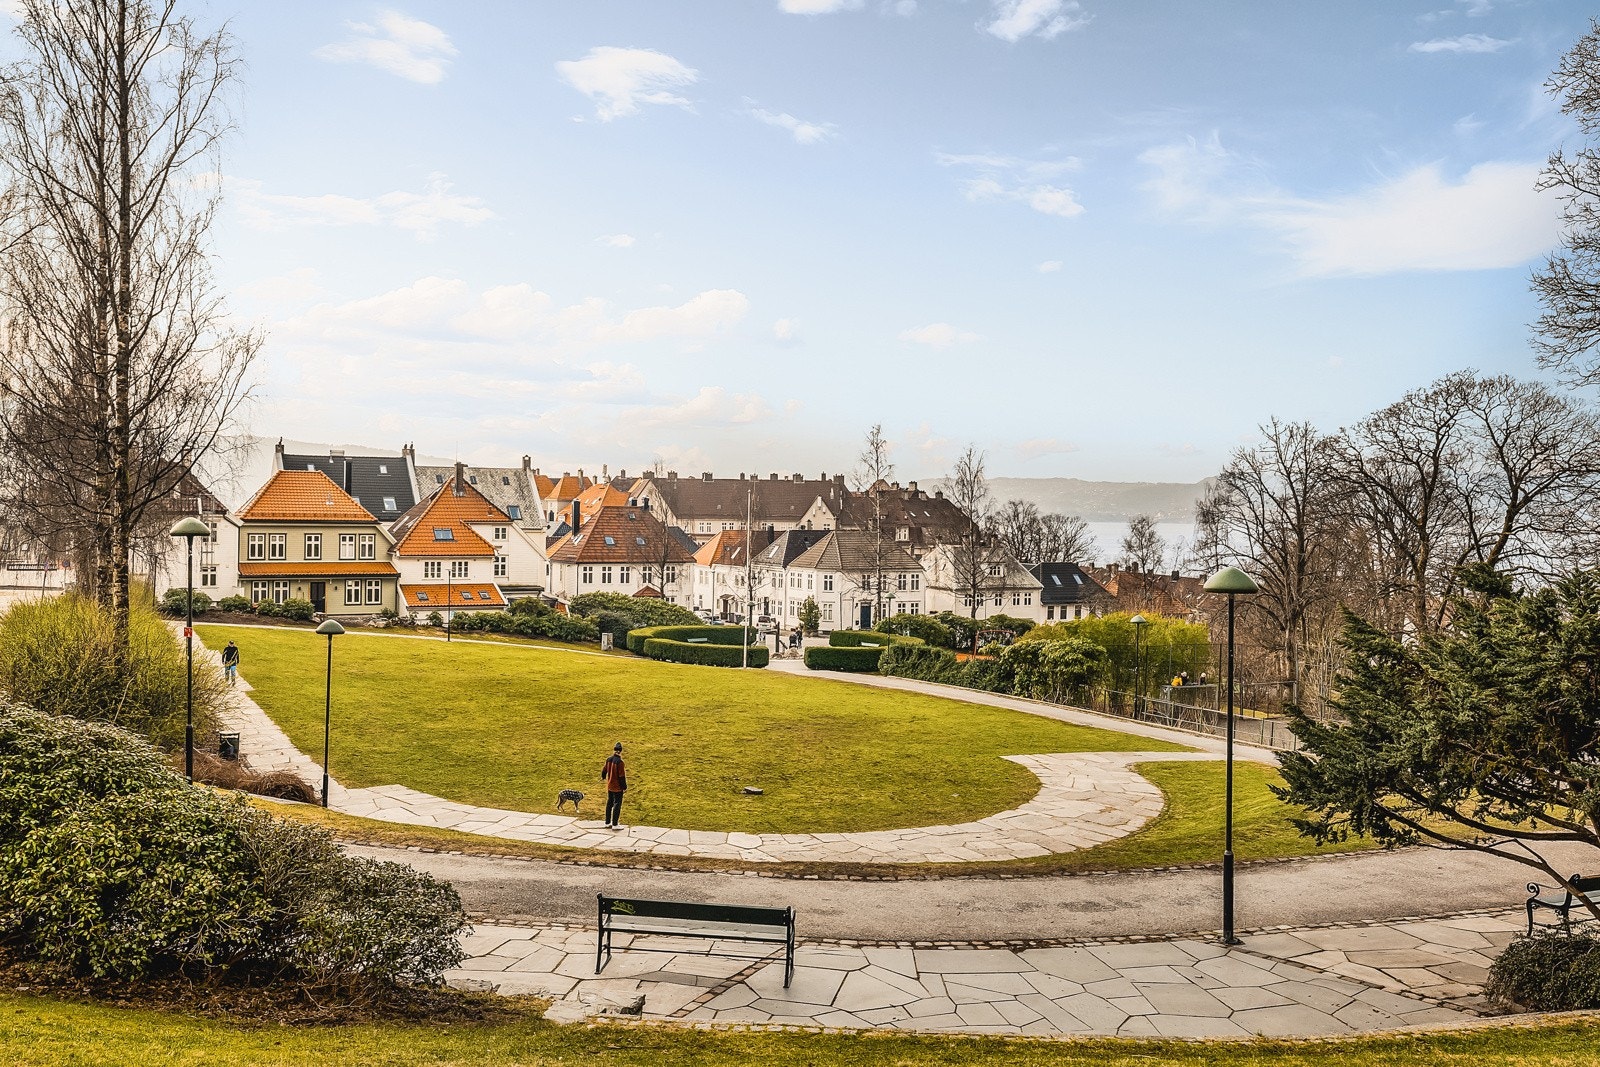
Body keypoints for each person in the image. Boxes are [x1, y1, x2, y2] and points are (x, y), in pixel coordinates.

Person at [600, 742, 627, 829]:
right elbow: (621, 776)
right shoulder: (620, 762)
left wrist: (603, 777)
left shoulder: (609, 759)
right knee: (617, 804)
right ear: (620, 751)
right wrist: (624, 787)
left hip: (610, 786)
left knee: (609, 803)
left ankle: (607, 822)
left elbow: (604, 770)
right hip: (617, 787)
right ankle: (615, 824)